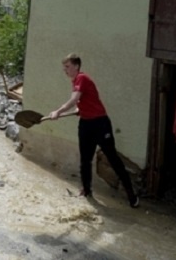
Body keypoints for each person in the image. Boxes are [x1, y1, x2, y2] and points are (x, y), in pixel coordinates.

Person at [48, 53, 140, 208]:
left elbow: (75, 98)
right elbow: (82, 100)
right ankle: (86, 190)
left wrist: (58, 111)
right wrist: (80, 109)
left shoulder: (82, 78)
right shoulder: (76, 81)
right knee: (85, 160)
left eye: (68, 66)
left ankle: (132, 196)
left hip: (100, 124)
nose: (65, 70)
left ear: (76, 66)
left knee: (113, 159)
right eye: (64, 67)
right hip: (85, 124)